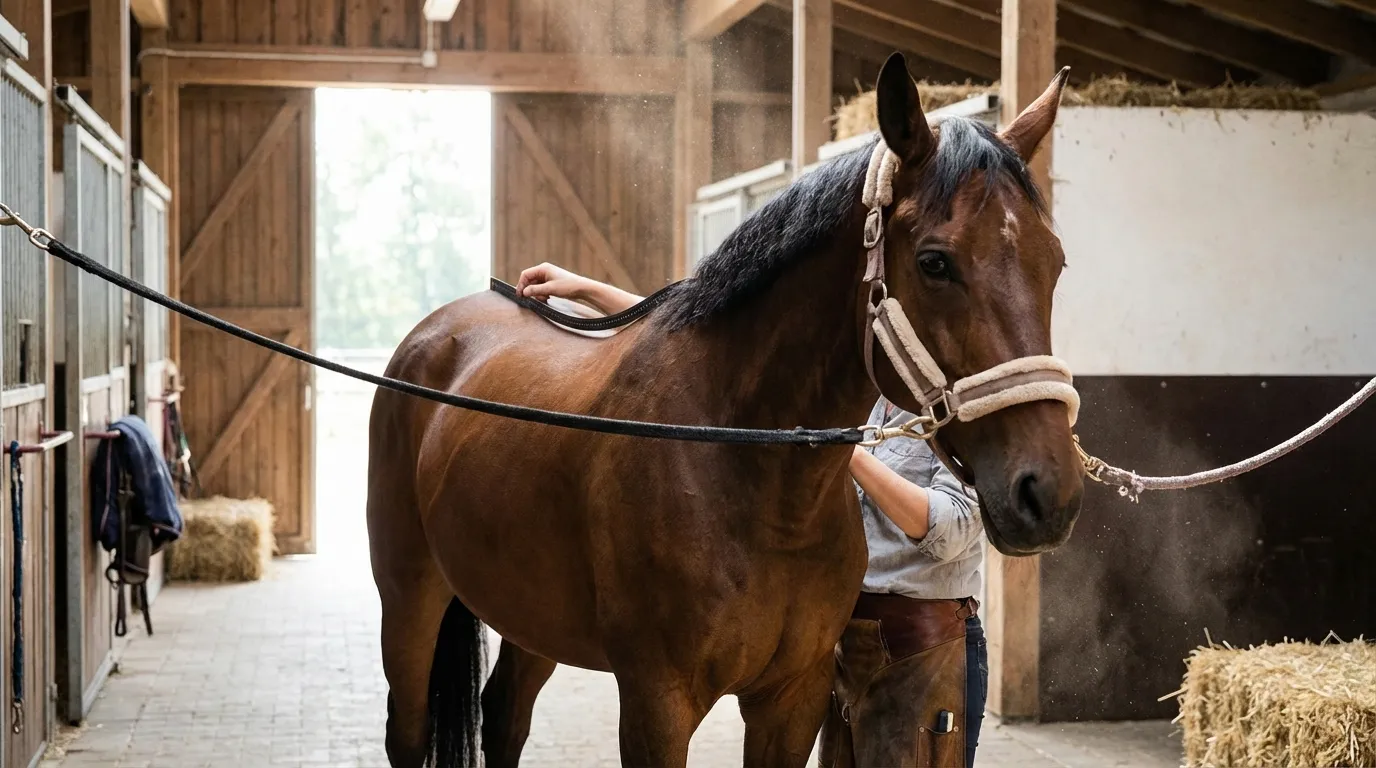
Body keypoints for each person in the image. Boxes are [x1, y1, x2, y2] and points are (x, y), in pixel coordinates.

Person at [514, 263, 989, 768]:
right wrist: (588, 288)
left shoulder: (965, 417)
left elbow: (949, 527)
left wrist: (840, 445)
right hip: (855, 648)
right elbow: (710, 334)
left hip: (927, 651)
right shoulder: (874, 402)